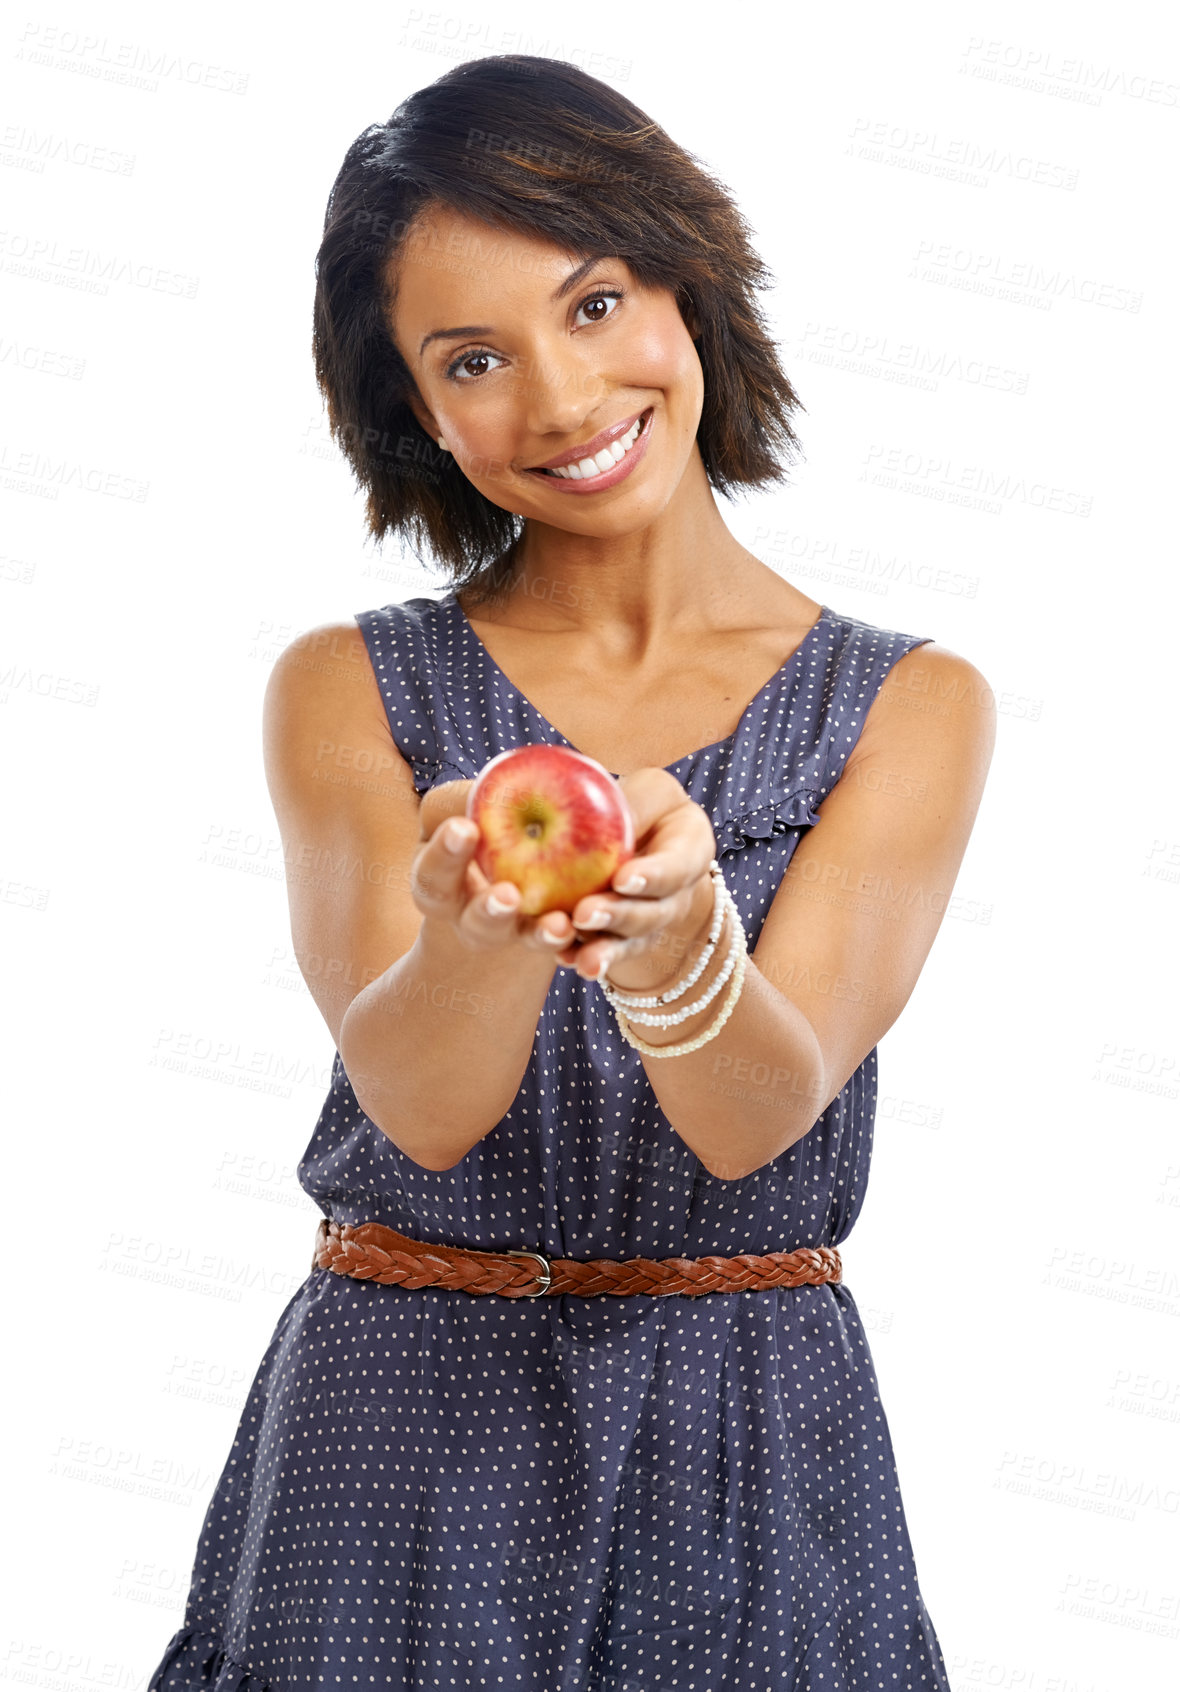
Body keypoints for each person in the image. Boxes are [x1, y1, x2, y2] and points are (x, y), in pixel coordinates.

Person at [148, 54, 994, 1692]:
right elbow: (422, 1104)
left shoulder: (908, 705)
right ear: (417, 410)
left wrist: (681, 946)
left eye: (595, 304)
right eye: (475, 358)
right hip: (400, 1420)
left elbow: (755, 1116)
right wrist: (481, 926)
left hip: (743, 1411)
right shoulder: (350, 685)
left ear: (686, 283)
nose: (559, 398)